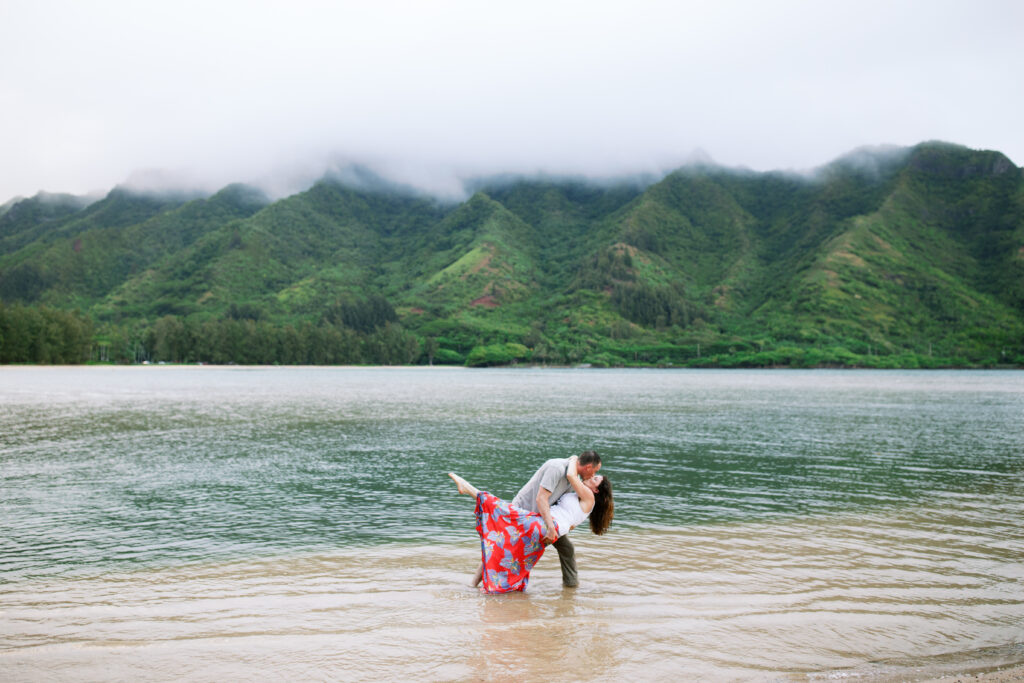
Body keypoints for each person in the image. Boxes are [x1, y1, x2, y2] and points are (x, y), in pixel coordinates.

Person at [448, 455, 614, 593]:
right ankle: (492, 587)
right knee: (512, 551)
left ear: (597, 490)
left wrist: (572, 459)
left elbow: (570, 476)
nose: (593, 476)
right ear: (588, 466)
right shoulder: (569, 481)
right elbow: (566, 511)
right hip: (542, 521)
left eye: (596, 478)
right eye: (595, 472)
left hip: (544, 524)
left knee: (501, 514)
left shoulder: (585, 493)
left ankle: (472, 490)